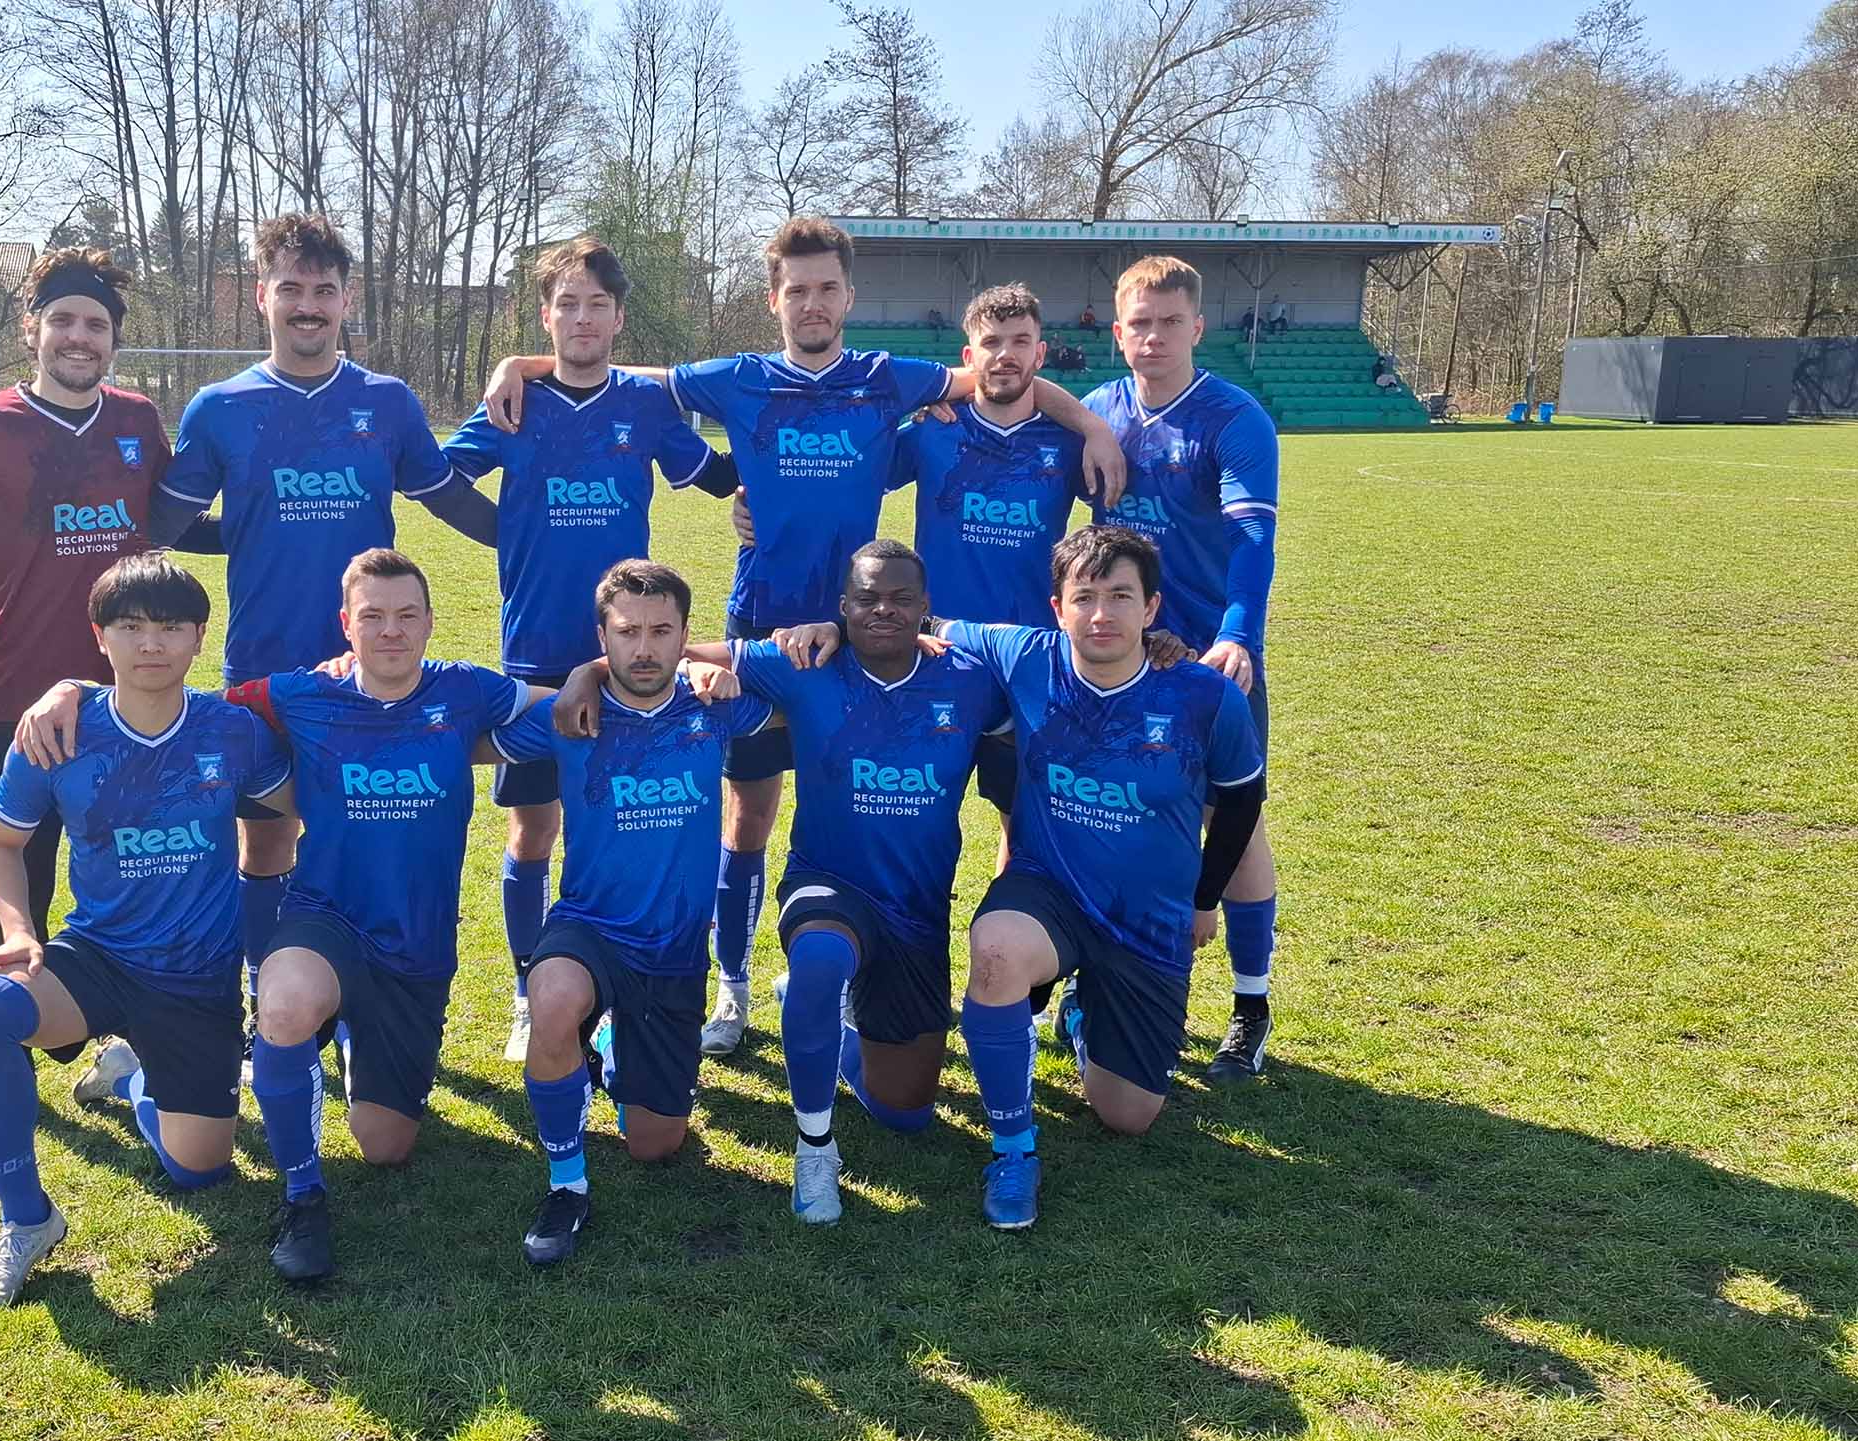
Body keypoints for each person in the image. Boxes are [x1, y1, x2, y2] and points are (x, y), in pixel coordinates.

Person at [482, 217, 1128, 1062]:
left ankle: (907, 971)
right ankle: (734, 983)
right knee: (745, 815)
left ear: (848, 296)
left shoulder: (886, 378)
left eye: (828, 288)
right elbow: (623, 376)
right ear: (773, 298)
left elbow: (1001, 379)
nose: (813, 302)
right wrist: (523, 364)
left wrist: (1097, 426)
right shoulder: (740, 378)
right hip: (760, 630)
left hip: (862, 638)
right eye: (797, 289)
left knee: (873, 805)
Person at [558, 541, 1011, 1227]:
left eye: (898, 598)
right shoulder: (807, 663)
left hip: (918, 911)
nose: (881, 609)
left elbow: (1058, 677)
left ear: (925, 607)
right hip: (827, 883)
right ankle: (815, 1151)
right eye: (865, 598)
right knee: (822, 959)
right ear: (842, 606)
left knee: (906, 1112)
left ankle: (834, 1031)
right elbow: (664, 652)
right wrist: (583, 677)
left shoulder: (971, 678)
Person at [146, 214, 499, 1054]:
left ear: (347, 301)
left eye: (325, 291)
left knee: (364, 834)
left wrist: (530, 535)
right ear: (263, 296)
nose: (309, 306)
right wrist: (244, 532)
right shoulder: (221, 407)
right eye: (292, 289)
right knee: (265, 837)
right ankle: (274, 1007)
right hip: (268, 664)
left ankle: (359, 999)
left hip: (376, 674)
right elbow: (164, 519)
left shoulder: (387, 402)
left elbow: (444, 496)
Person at [0, 551, 291, 1310]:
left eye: (170, 626)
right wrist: (16, 928)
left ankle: (131, 1072)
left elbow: (298, 809)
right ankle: (26, 1220)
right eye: (131, 626)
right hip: (97, 958)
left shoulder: (232, 732)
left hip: (197, 979)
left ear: (200, 636)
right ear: (99, 635)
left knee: (200, 1171)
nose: (151, 644)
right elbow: (1, 844)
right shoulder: (57, 733)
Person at [439, 236, 739, 1062]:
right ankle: (530, 989)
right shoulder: (516, 402)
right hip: (535, 652)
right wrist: (506, 535)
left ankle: (618, 980)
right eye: (565, 304)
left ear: (618, 318)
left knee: (619, 828)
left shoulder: (644, 405)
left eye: (596, 304)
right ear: (546, 316)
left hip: (631, 657)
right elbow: (433, 474)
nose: (581, 318)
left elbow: (710, 475)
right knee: (533, 833)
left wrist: (759, 493)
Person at [938, 527, 1264, 1220]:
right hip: (1048, 891)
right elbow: (908, 617)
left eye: (1120, 596)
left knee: (1128, 1116)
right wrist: (825, 625)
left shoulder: (1204, 696)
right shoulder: (1026, 655)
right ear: (1057, 607)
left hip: (1148, 918)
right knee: (994, 951)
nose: (1101, 614)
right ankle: (1014, 1150)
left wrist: (1205, 900)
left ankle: (1081, 1014)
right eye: (1084, 596)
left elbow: (1240, 800)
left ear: (1152, 609)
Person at [0, 247, 216, 943]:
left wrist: (274, 522)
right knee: (23, 893)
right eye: (64, 320)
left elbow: (171, 526)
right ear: (31, 328)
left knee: (144, 881)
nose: (80, 336)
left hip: (135, 699)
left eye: (97, 324)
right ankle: (6, 1039)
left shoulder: (136, 420)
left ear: (113, 340)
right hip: (24, 699)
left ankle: (130, 1044)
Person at [489, 560, 771, 1264]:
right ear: (602, 637)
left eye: (661, 631)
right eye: (626, 632)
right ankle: (566, 1184)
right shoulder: (564, 717)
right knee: (554, 998)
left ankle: (612, 1048)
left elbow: (811, 683)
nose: (643, 649)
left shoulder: (717, 706)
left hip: (673, 950)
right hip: (588, 926)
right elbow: (457, 734)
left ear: (685, 636)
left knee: (655, 1144)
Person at [1084, 255, 1283, 1084]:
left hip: (1207, 659)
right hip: (1120, 657)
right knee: (1103, 817)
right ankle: (1089, 983)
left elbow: (1250, 540)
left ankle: (1250, 1005)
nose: (1153, 337)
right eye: (1139, 323)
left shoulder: (1234, 419)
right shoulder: (1097, 410)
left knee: (1232, 827)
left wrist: (1237, 634)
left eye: (1170, 322)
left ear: (1197, 327)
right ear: (1118, 327)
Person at [886, 284, 1087, 870]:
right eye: (991, 342)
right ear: (968, 359)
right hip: (936, 653)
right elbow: (846, 479)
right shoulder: (933, 429)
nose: (1006, 355)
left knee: (1024, 824)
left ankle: (1012, 942)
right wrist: (751, 508)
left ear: (1040, 354)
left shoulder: (1068, 443)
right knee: (915, 814)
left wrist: (1096, 430)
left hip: (1027, 658)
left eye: (1020, 341)